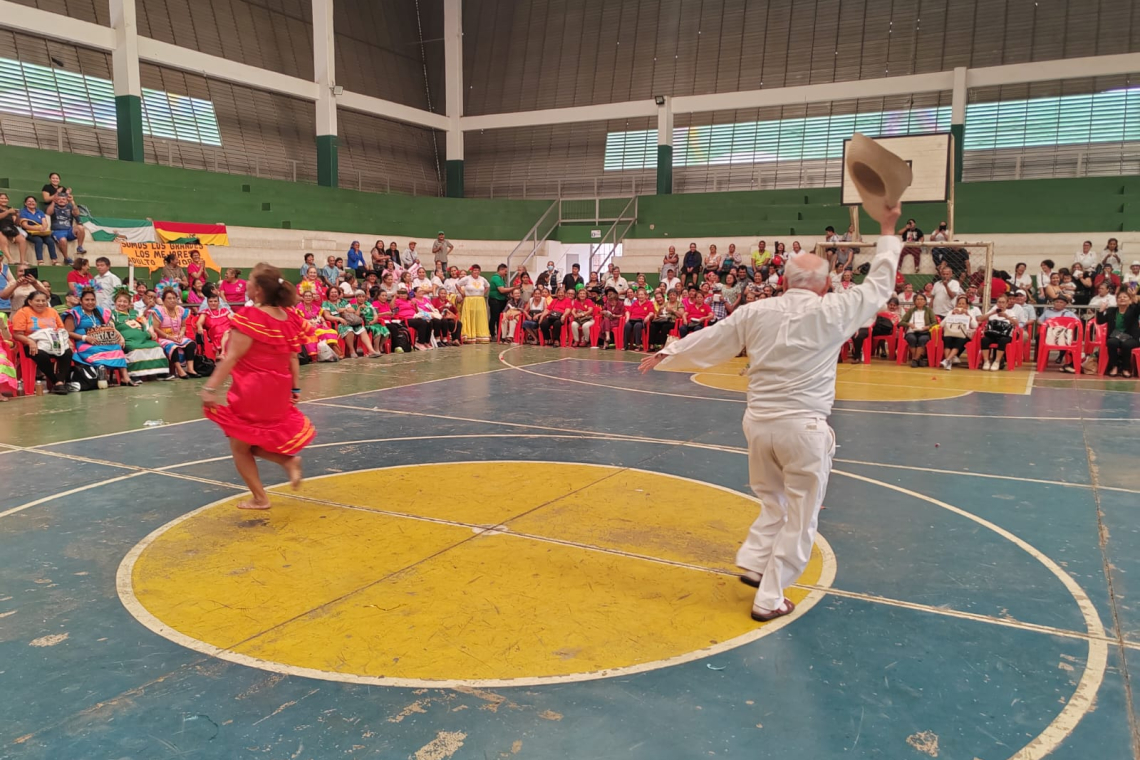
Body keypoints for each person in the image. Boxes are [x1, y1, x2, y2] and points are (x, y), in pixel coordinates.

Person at [640, 200, 903, 621]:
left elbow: (714, 338)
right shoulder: (834, 309)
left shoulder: (756, 311)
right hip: (803, 429)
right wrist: (888, 230)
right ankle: (770, 597)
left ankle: (754, 561)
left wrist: (668, 352)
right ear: (824, 284)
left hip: (759, 424)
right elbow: (879, 286)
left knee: (773, 500)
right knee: (800, 516)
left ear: (784, 282)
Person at [200, 264, 314, 510]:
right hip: (279, 388)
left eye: (250, 280)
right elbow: (293, 357)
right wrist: (295, 389)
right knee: (246, 441)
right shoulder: (289, 317)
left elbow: (231, 358)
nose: (247, 284)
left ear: (259, 290)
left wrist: (210, 388)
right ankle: (286, 462)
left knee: (239, 445)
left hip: (253, 390)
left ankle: (262, 496)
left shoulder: (251, 317)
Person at [65, 287, 136, 387]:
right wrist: (85, 338)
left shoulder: (100, 311)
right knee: (96, 350)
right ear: (81, 301)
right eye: (87, 300)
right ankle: (102, 378)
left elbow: (110, 327)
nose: (90, 302)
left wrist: (120, 337)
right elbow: (67, 332)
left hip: (102, 340)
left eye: (92, 300)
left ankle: (125, 378)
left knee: (117, 347)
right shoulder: (74, 313)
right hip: (84, 343)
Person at [11, 290, 73, 393]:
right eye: (37, 301)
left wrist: (68, 342)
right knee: (41, 355)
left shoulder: (52, 311)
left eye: (43, 301)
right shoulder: (22, 312)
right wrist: (30, 342)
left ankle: (60, 381)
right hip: (31, 344)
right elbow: (17, 334)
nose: (41, 303)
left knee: (67, 352)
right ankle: (57, 382)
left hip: (53, 342)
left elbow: (61, 329)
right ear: (30, 302)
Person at [112, 291, 169, 380]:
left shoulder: (135, 313)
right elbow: (111, 328)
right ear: (115, 302)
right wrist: (120, 337)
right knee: (135, 349)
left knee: (156, 347)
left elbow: (146, 322)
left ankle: (160, 373)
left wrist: (151, 332)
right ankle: (134, 375)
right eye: (119, 301)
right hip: (127, 339)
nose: (122, 304)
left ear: (129, 303)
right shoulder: (112, 314)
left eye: (125, 302)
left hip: (143, 337)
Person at [150, 288, 199, 378]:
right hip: (164, 337)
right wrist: (169, 337)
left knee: (191, 344)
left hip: (178, 336)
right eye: (169, 298)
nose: (172, 300)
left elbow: (183, 326)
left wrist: (181, 334)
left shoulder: (180, 310)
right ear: (163, 300)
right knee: (173, 347)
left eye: (174, 298)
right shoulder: (159, 311)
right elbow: (155, 328)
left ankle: (190, 369)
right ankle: (179, 370)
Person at [1095, 290, 1139, 378]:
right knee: (1111, 342)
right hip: (1116, 335)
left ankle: (1126, 369)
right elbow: (1100, 322)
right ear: (1116, 300)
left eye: (1125, 297)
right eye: (1119, 297)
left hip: (1131, 337)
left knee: (1126, 344)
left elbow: (1138, 308)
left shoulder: (1133, 310)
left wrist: (1134, 297)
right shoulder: (1112, 310)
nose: (1122, 298)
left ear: (1129, 300)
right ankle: (1114, 366)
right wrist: (1101, 310)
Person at [938, 295, 977, 370]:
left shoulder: (970, 313)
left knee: (960, 340)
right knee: (947, 339)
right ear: (956, 305)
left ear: (967, 305)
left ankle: (947, 360)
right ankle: (948, 362)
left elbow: (975, 326)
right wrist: (951, 314)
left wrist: (968, 315)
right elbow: (941, 324)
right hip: (950, 332)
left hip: (963, 334)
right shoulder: (951, 312)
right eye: (959, 304)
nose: (961, 305)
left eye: (963, 304)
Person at [979, 295, 1017, 371]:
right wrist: (992, 313)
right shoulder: (993, 311)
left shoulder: (1010, 312)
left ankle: (997, 361)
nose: (1001, 304)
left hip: (1005, 335)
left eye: (1003, 302)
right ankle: (986, 361)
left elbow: (1016, 323)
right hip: (992, 334)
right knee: (984, 340)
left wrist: (1007, 317)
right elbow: (980, 319)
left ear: (1007, 304)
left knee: (1002, 340)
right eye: (999, 302)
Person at [899, 293, 935, 368]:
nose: (919, 301)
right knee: (911, 338)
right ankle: (918, 359)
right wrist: (909, 324)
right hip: (912, 331)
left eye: (921, 299)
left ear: (925, 301)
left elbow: (935, 322)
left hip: (924, 332)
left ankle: (915, 359)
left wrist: (928, 327)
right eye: (917, 299)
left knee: (922, 339)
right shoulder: (911, 311)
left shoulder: (929, 310)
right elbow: (901, 322)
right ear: (915, 301)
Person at [18, 195, 57, 264]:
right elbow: (25, 225)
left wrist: (43, 227)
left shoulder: (40, 212)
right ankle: (40, 260)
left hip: (41, 232)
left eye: (33, 201)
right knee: (38, 240)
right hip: (30, 232)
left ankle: (54, 260)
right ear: (25, 203)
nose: (31, 203)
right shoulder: (23, 212)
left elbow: (44, 222)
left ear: (35, 203)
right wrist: (37, 228)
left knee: (50, 241)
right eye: (29, 201)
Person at [47, 192, 85, 262]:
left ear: (67, 201)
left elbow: (77, 214)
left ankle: (79, 247)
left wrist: (72, 202)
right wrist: (53, 202)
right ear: (56, 200)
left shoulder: (70, 206)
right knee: (63, 240)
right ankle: (66, 258)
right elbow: (48, 213)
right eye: (59, 199)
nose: (61, 201)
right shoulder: (54, 206)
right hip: (57, 231)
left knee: (80, 227)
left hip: (69, 230)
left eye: (63, 199)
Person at [458, 264, 491, 344]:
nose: (476, 272)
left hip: (480, 300)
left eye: (478, 270)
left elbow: (487, 286)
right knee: (470, 316)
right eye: (475, 270)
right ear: (471, 271)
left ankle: (480, 336)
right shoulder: (467, 278)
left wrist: (483, 293)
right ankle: (469, 336)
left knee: (479, 317)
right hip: (469, 300)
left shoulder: (482, 279)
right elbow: (458, 284)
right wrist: (462, 293)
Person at [196, 293, 233, 359]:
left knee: (228, 333)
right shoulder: (205, 313)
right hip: (216, 334)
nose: (213, 303)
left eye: (215, 301)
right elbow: (199, 323)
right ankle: (224, 353)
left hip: (229, 331)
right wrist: (199, 327)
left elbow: (232, 320)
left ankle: (223, 353)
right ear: (207, 303)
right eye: (210, 301)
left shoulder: (224, 310)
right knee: (226, 333)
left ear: (219, 302)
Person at [0, 192, 27, 265]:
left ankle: (22, 260)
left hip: (10, 227)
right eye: (1, 198)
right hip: (0, 228)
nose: (4, 200)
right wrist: (8, 212)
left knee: (22, 240)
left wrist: (18, 216)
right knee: (2, 237)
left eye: (5, 198)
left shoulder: (10, 209)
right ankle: (10, 259)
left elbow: (16, 223)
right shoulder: (9, 210)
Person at [488, 263, 512, 334]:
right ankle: (492, 333)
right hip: (495, 301)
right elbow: (502, 290)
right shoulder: (496, 278)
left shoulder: (501, 278)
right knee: (494, 317)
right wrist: (513, 288)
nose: (506, 273)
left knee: (500, 317)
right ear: (501, 270)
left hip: (501, 300)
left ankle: (500, 333)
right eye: (505, 271)